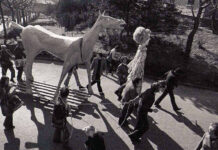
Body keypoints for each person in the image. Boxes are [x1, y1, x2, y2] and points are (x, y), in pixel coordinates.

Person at [127, 27, 151, 94]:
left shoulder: (141, 48)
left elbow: (135, 61)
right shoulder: (142, 51)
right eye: (148, 38)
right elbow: (137, 63)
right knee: (136, 91)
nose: (149, 39)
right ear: (144, 39)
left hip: (137, 73)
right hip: (138, 75)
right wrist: (137, 76)